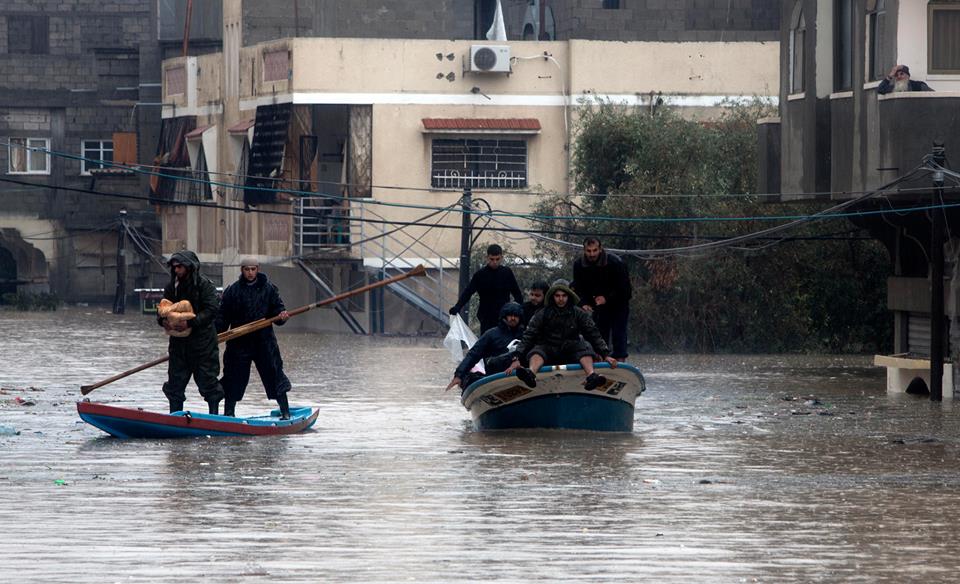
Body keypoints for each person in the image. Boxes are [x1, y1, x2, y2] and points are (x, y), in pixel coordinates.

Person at [216, 257, 293, 419]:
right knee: (233, 377)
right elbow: (222, 318)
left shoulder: (269, 289)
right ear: (242, 270)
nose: (250, 273)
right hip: (238, 342)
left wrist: (282, 317)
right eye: (247, 269)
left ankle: (285, 412)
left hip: (264, 342)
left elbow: (278, 312)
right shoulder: (232, 291)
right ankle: (229, 414)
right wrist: (213, 334)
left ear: (257, 269)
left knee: (274, 374)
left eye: (253, 269)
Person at [506, 280, 617, 390]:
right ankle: (530, 374)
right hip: (548, 347)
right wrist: (516, 357)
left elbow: (593, 333)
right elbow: (528, 335)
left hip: (571, 346)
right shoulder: (542, 313)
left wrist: (605, 354)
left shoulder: (578, 313)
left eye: (564, 295)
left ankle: (591, 376)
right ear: (552, 297)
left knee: (585, 346)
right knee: (537, 350)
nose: (560, 299)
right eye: (557, 296)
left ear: (568, 296)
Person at [159, 250, 224, 414]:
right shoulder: (171, 288)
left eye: (180, 267)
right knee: (175, 385)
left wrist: (191, 323)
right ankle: (174, 417)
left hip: (203, 345)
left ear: (189, 267)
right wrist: (164, 322)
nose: (176, 271)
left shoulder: (205, 286)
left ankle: (214, 418)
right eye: (174, 267)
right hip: (178, 345)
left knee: (208, 383)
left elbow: (211, 310)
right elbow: (162, 309)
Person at [571, 237, 632, 360]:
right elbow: (578, 287)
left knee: (618, 333)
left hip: (618, 303)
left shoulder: (615, 263)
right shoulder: (578, 265)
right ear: (584, 251)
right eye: (588, 251)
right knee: (598, 333)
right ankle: (600, 359)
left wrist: (607, 298)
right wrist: (583, 303)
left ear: (600, 249)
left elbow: (626, 290)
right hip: (597, 305)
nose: (592, 254)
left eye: (594, 250)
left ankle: (620, 361)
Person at [444, 302, 525, 392]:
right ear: (504, 316)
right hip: (495, 376)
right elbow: (473, 354)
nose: (513, 318)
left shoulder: (526, 335)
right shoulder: (491, 335)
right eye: (510, 315)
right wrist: (459, 375)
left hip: (521, 374)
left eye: (516, 316)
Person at [449, 244, 523, 334]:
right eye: (492, 259)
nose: (495, 262)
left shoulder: (507, 273)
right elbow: (468, 292)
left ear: (501, 258)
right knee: (487, 341)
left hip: (503, 316)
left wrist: (517, 312)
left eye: (497, 259)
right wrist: (458, 307)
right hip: (486, 315)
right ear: (487, 258)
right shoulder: (480, 275)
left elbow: (517, 293)